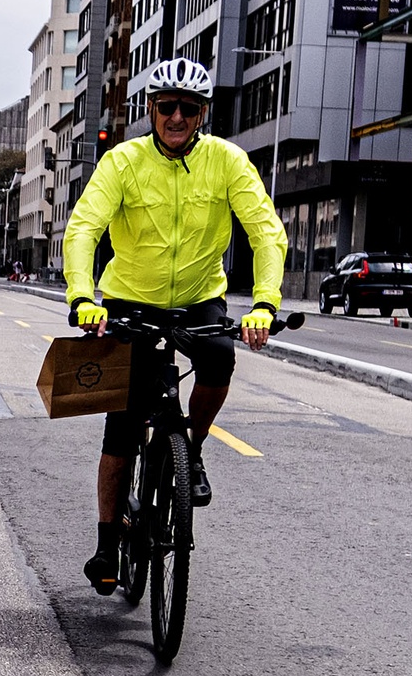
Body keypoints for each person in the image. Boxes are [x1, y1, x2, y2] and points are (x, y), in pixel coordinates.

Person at [63, 56, 287, 596]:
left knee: (219, 359)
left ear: (204, 112)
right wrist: (82, 296)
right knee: (123, 421)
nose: (178, 117)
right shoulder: (123, 162)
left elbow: (266, 232)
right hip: (128, 300)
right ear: (152, 109)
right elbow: (83, 229)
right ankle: (107, 542)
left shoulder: (228, 162)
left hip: (197, 298)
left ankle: (194, 443)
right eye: (168, 107)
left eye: (190, 108)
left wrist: (264, 304)